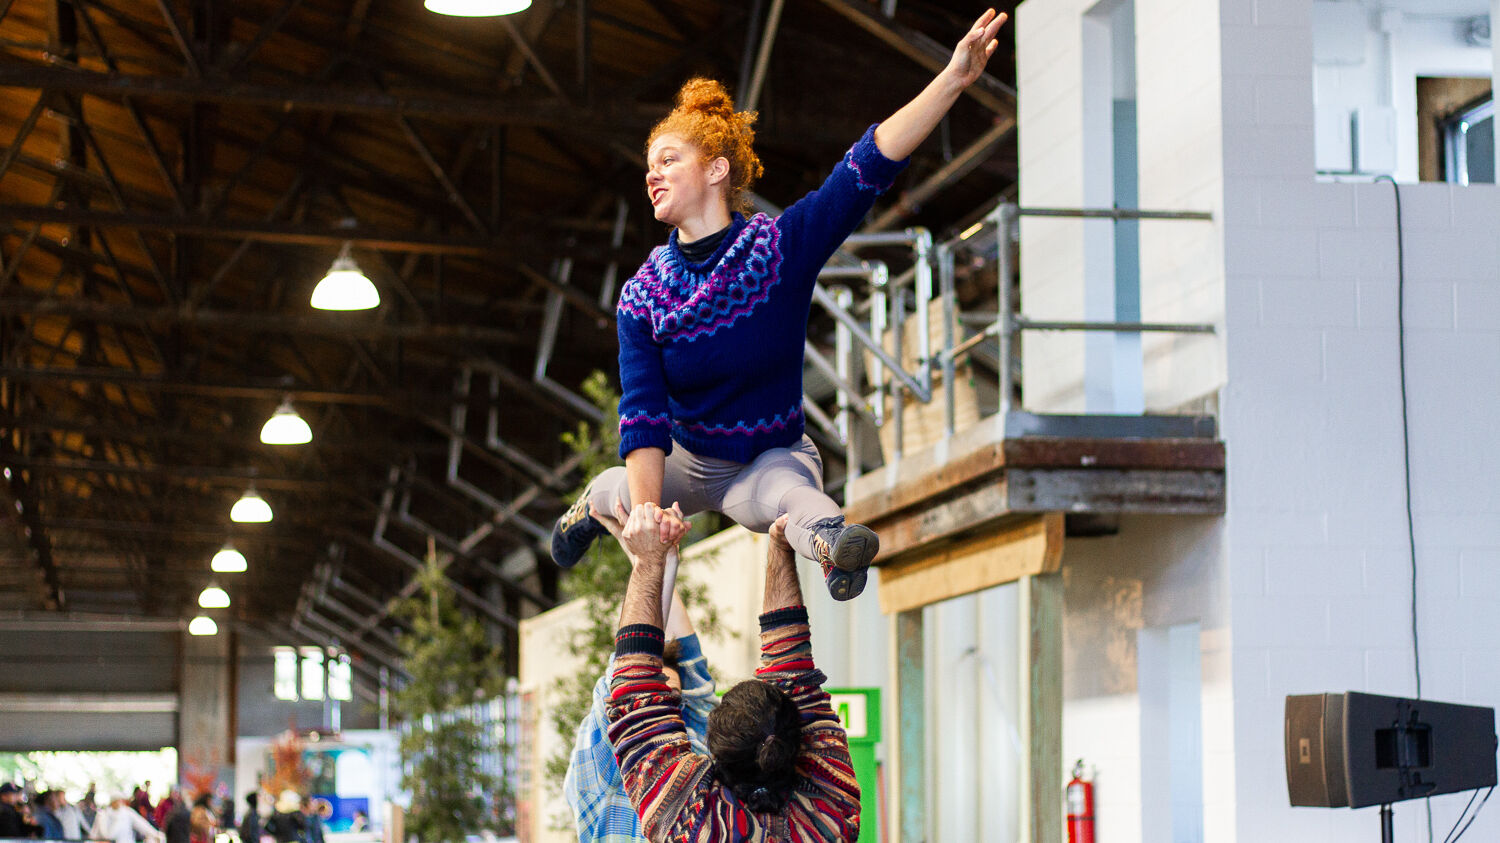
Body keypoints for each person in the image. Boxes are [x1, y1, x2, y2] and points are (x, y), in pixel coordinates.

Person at [552, 9, 1010, 604]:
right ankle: (592, 504)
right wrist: (649, 525)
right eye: (648, 166)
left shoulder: (778, 249)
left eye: (667, 159)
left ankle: (834, 543)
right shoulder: (643, 296)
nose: (651, 175)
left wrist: (952, 77)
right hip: (688, 460)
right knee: (631, 497)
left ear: (716, 169)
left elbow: (868, 166)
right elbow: (643, 416)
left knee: (793, 496)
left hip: (767, 457)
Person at [604, 502, 858, 841]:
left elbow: (790, 667)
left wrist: (780, 546)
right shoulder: (690, 826)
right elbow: (634, 688)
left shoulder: (835, 808)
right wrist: (649, 562)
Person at [563, 504, 718, 843]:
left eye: (673, 701)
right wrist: (655, 562)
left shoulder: (686, 753)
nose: (660, 710)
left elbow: (682, 668)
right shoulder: (607, 776)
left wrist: (657, 562)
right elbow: (633, 675)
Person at [90, 794, 162, 843]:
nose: (119, 803)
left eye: (120, 800)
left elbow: (142, 825)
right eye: (117, 801)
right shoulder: (103, 814)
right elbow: (95, 834)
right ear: (112, 802)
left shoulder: (127, 812)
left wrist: (156, 835)